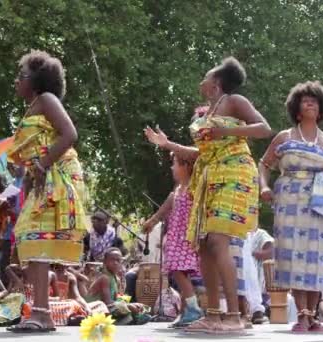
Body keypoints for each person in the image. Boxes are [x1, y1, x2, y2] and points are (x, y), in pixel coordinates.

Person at [144, 57, 271, 334]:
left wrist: (227, 130)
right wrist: (167, 145)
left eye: (205, 76)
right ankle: (213, 314)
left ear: (215, 83)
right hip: (208, 178)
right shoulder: (206, 114)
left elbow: (264, 128)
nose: (201, 80)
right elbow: (200, 154)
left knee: (217, 240)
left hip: (234, 174)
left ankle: (234, 316)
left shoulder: (234, 101)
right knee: (203, 244)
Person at [258, 81, 323, 333]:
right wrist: (264, 187)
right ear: (297, 110)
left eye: (314, 100)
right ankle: (301, 315)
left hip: (322, 202)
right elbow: (264, 164)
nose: (309, 102)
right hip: (290, 201)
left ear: (321, 109)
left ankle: (312, 316)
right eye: (304, 100)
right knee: (294, 255)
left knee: (317, 257)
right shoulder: (284, 137)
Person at [6, 50, 89, 333]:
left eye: (22, 75)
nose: (17, 80)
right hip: (44, 176)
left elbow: (70, 133)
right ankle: (40, 312)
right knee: (32, 238)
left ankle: (41, 314)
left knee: (36, 238)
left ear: (37, 80)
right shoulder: (33, 105)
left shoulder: (46, 100)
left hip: (59, 175)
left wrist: (42, 165)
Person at [143, 153, 202, 328]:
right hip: (176, 238)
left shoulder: (194, 188)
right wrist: (151, 222)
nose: (171, 167)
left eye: (174, 164)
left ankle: (193, 308)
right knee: (181, 274)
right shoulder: (177, 191)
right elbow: (163, 210)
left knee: (178, 271)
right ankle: (186, 312)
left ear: (187, 166)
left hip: (186, 238)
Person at [86, 248, 148, 325]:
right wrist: (128, 306)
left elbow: (116, 300)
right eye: (112, 260)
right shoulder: (104, 278)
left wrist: (132, 305)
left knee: (134, 309)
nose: (115, 263)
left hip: (108, 308)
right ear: (105, 262)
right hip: (95, 309)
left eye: (118, 260)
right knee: (124, 312)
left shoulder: (116, 279)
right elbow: (108, 303)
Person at [243, 227, 274, 324]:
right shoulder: (242, 232)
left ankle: (258, 313)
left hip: (258, 275)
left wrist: (252, 253)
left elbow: (271, 251)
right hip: (245, 273)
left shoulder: (261, 233)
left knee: (256, 295)